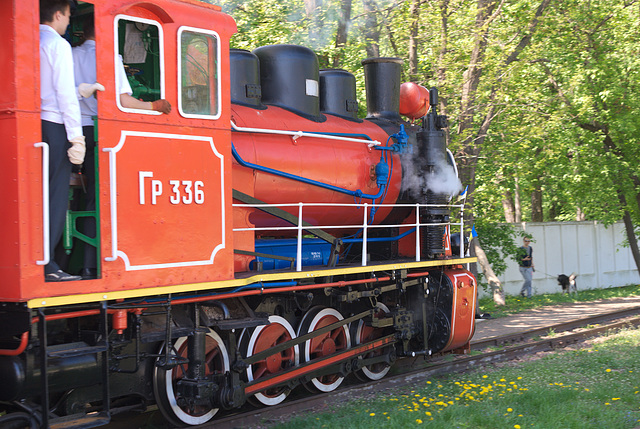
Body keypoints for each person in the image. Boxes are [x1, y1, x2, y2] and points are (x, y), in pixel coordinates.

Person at [72, 15, 171, 278]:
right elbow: (124, 102)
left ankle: (73, 260)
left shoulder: (70, 53)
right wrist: (154, 106)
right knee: (102, 198)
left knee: (77, 197)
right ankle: (94, 265)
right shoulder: (109, 57)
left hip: (70, 132)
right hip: (98, 133)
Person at [40, 0, 85, 282]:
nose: (68, 22)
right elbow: (64, 94)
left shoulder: (28, 40)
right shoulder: (58, 45)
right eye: (68, 16)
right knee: (55, 199)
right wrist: (76, 137)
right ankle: (48, 264)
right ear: (58, 14)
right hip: (55, 126)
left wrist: (80, 91)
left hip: (33, 124)